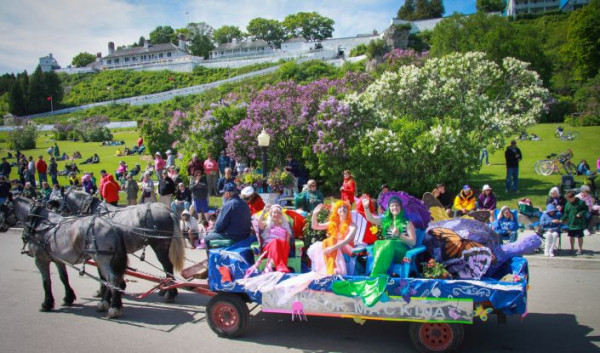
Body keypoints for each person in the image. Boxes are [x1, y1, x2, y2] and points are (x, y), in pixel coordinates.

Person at [362, 196, 416, 276]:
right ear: (389, 208)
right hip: (387, 250)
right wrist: (366, 207)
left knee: (390, 243)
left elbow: (413, 242)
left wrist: (399, 235)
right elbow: (371, 219)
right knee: (377, 242)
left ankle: (377, 275)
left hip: (402, 253)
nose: (395, 207)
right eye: (392, 205)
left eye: (397, 205)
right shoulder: (385, 221)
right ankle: (380, 274)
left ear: (400, 207)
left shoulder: (407, 223)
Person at [308, 201, 357, 275]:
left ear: (348, 210)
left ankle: (332, 269)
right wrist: (314, 214)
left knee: (331, 240)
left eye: (345, 207)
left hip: (347, 248)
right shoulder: (333, 223)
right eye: (340, 207)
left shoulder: (352, 225)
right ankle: (327, 269)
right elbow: (315, 226)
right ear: (336, 211)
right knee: (321, 245)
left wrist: (332, 248)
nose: (342, 209)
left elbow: (347, 241)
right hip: (333, 246)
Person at [204, 183, 252, 247]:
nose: (223, 195)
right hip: (245, 235)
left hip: (233, 237)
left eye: (224, 193)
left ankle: (212, 257)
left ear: (228, 194)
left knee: (206, 238)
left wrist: (212, 231)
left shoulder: (228, 205)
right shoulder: (244, 203)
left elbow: (218, 227)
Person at [257, 204, 293, 273]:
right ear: (271, 214)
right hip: (268, 248)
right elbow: (259, 223)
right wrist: (264, 212)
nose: (276, 214)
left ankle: (280, 266)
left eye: (279, 213)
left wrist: (287, 246)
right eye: (274, 212)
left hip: (281, 248)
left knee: (283, 242)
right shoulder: (267, 224)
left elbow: (287, 242)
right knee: (275, 241)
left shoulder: (285, 226)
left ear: (281, 215)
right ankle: (281, 267)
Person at [562, 191, 588, 255]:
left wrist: (580, 213)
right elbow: (566, 213)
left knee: (579, 236)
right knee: (571, 236)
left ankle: (580, 249)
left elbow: (585, 210)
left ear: (573, 197)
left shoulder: (580, 202)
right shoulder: (567, 204)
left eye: (569, 199)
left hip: (579, 222)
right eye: (567, 199)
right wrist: (562, 219)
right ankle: (572, 248)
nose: (568, 200)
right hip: (571, 222)